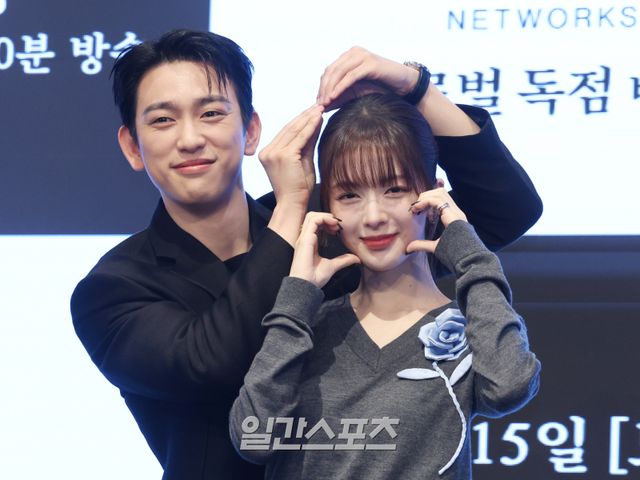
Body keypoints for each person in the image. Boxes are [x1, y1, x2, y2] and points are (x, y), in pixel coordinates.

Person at [70, 29, 541, 480]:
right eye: (163, 120)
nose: (190, 138)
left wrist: (415, 89)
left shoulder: (332, 226)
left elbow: (505, 211)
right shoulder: (113, 290)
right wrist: (292, 205)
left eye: (211, 113)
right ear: (132, 146)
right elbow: (214, 363)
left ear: (250, 130)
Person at [229, 93, 541, 479]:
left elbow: (509, 387)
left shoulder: (469, 329)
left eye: (394, 189)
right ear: (328, 208)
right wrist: (295, 298)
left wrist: (469, 256)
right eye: (349, 195)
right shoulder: (307, 324)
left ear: (433, 194)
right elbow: (253, 439)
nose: (373, 216)